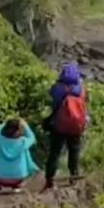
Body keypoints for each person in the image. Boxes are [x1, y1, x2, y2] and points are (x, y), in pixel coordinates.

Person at [43, 62, 89, 191]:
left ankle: (49, 180)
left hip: (59, 125)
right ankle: (73, 176)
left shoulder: (58, 88)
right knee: (74, 151)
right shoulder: (80, 89)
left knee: (54, 152)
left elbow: (52, 97)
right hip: (76, 126)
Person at [0, 118, 39, 193]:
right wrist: (25, 125)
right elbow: (32, 137)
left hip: (0, 178)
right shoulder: (23, 141)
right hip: (18, 178)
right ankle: (17, 185)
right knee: (25, 151)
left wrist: (4, 123)